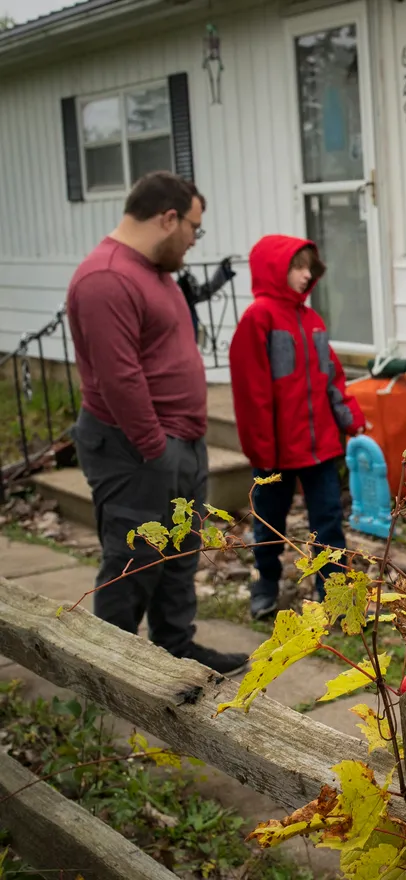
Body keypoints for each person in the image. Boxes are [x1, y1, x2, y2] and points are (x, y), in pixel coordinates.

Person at [67, 171, 249, 677]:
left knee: (179, 554)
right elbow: (118, 378)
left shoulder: (155, 272)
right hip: (134, 447)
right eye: (194, 227)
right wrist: (155, 448)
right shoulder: (107, 278)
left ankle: (175, 648)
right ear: (168, 218)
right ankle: (112, 669)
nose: (194, 241)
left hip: (179, 442)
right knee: (135, 559)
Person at [227, 236, 365, 620]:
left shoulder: (313, 321)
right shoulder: (259, 318)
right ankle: (265, 584)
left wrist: (349, 418)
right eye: (298, 267)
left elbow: (332, 377)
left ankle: (334, 596)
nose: (307, 275)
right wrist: (261, 450)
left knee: (328, 524)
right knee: (269, 525)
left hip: (320, 446)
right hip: (275, 451)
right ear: (275, 269)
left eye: (310, 268)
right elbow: (250, 390)